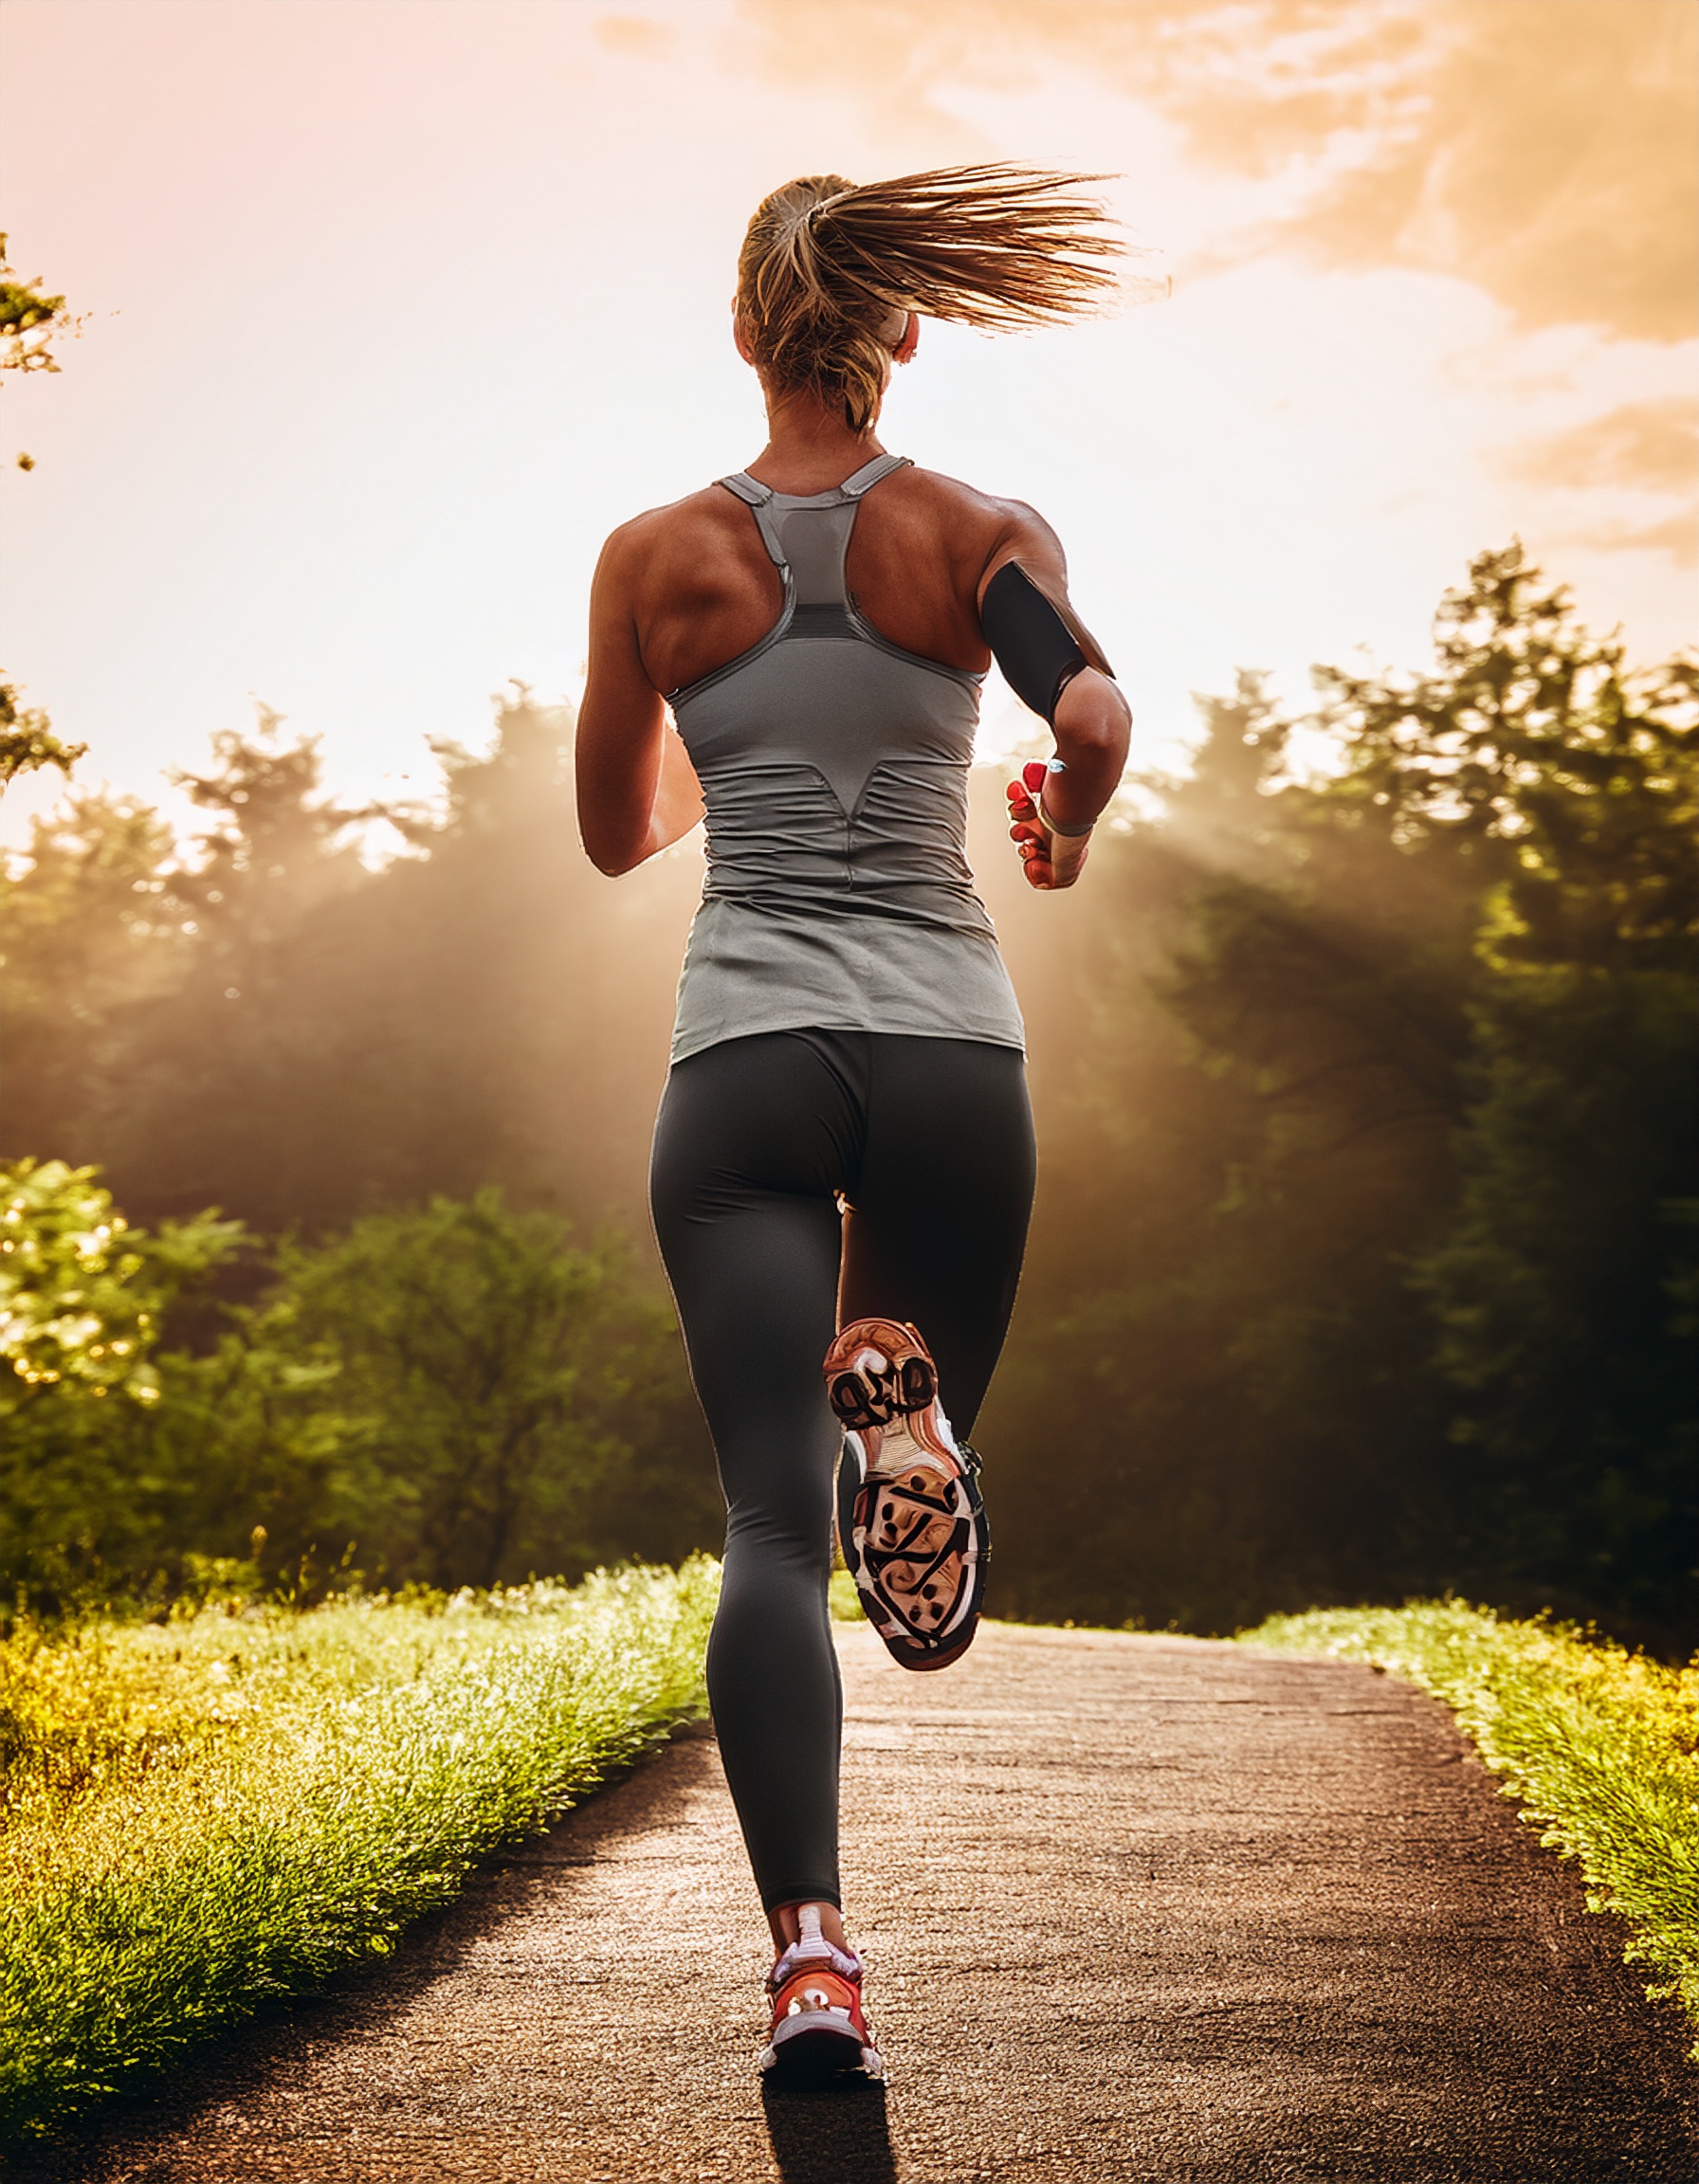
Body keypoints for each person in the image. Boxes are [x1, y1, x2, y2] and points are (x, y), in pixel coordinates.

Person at [575, 164, 1132, 2084]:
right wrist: (1060, 817)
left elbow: (610, 830)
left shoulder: (654, 557)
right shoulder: (977, 528)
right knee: (898, 1482)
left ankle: (810, 1959)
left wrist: (714, 752)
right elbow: (1094, 713)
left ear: (746, 335)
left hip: (742, 1055)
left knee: (760, 1524)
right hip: (942, 1055)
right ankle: (919, 1429)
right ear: (901, 331)